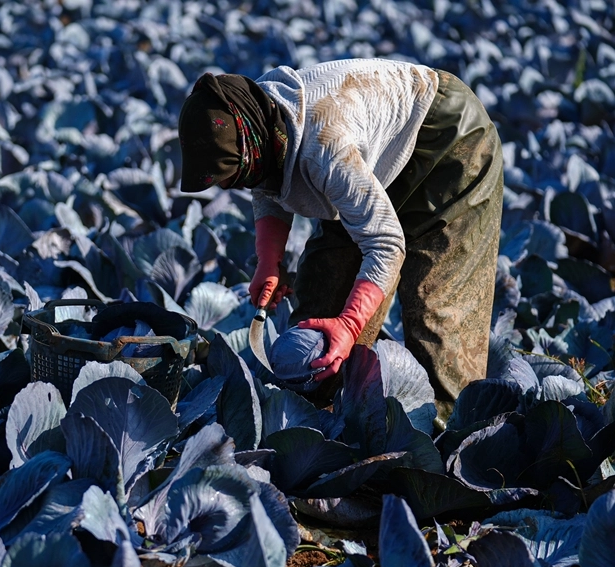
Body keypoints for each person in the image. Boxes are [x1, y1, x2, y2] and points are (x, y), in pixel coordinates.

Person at [177, 58, 504, 423]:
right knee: (321, 303)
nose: (232, 186)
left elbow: (385, 245)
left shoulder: (324, 148)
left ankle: (440, 443)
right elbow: (263, 184)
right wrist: (269, 261)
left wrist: (350, 325)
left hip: (448, 143)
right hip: (372, 156)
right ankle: (321, 419)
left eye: (233, 176)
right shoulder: (257, 116)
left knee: (436, 315)